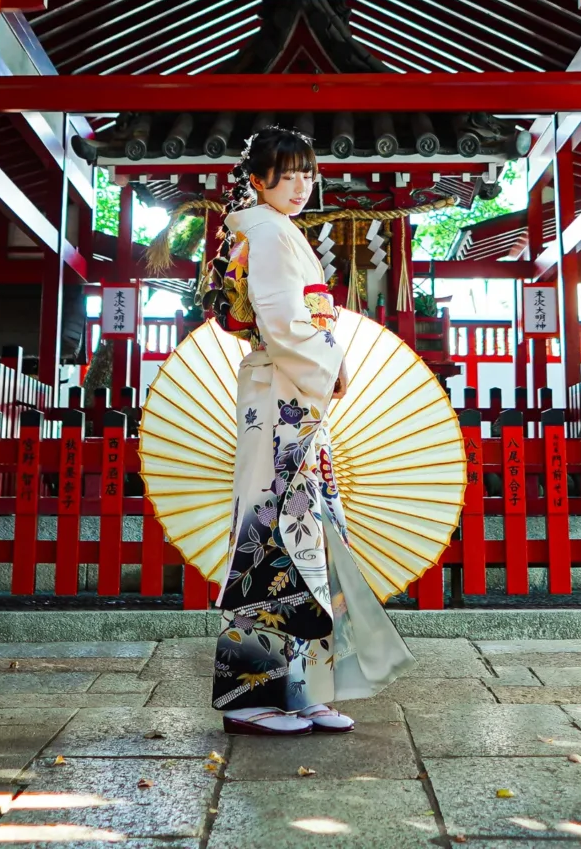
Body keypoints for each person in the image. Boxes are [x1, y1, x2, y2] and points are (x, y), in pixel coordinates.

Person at [206, 126, 412, 735]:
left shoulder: (269, 228)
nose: (300, 186)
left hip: (293, 397)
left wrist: (327, 356)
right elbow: (280, 319)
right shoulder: (267, 231)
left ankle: (303, 689)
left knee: (307, 540)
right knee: (272, 537)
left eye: (307, 174)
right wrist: (333, 357)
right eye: (286, 175)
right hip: (282, 398)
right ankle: (250, 697)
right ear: (258, 179)